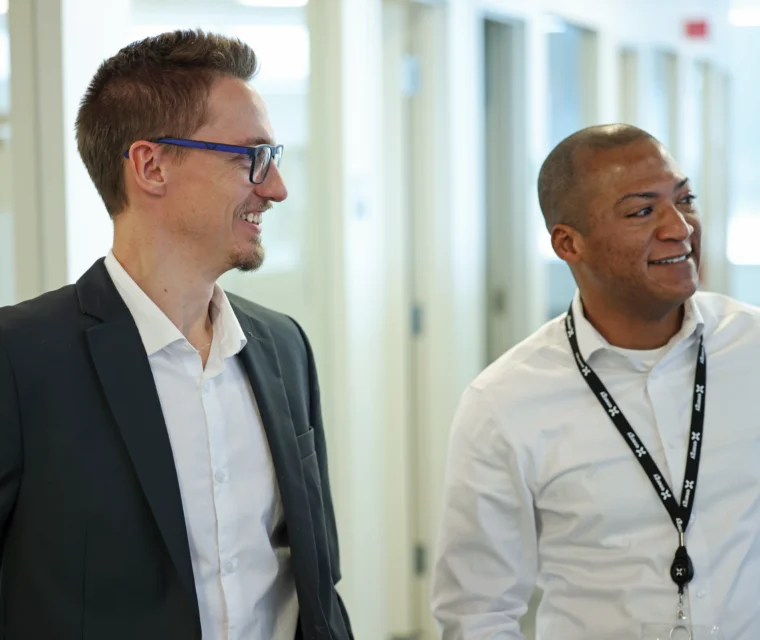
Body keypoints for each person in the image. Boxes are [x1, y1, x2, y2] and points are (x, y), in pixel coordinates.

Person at [0, 30, 352, 640]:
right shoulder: (19, 361)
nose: (275, 188)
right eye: (252, 157)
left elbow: (315, 583)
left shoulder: (284, 347)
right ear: (151, 166)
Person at [430, 124, 760, 639]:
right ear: (569, 243)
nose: (681, 228)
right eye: (642, 211)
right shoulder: (505, 403)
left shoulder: (752, 349)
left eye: (685, 199)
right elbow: (478, 612)